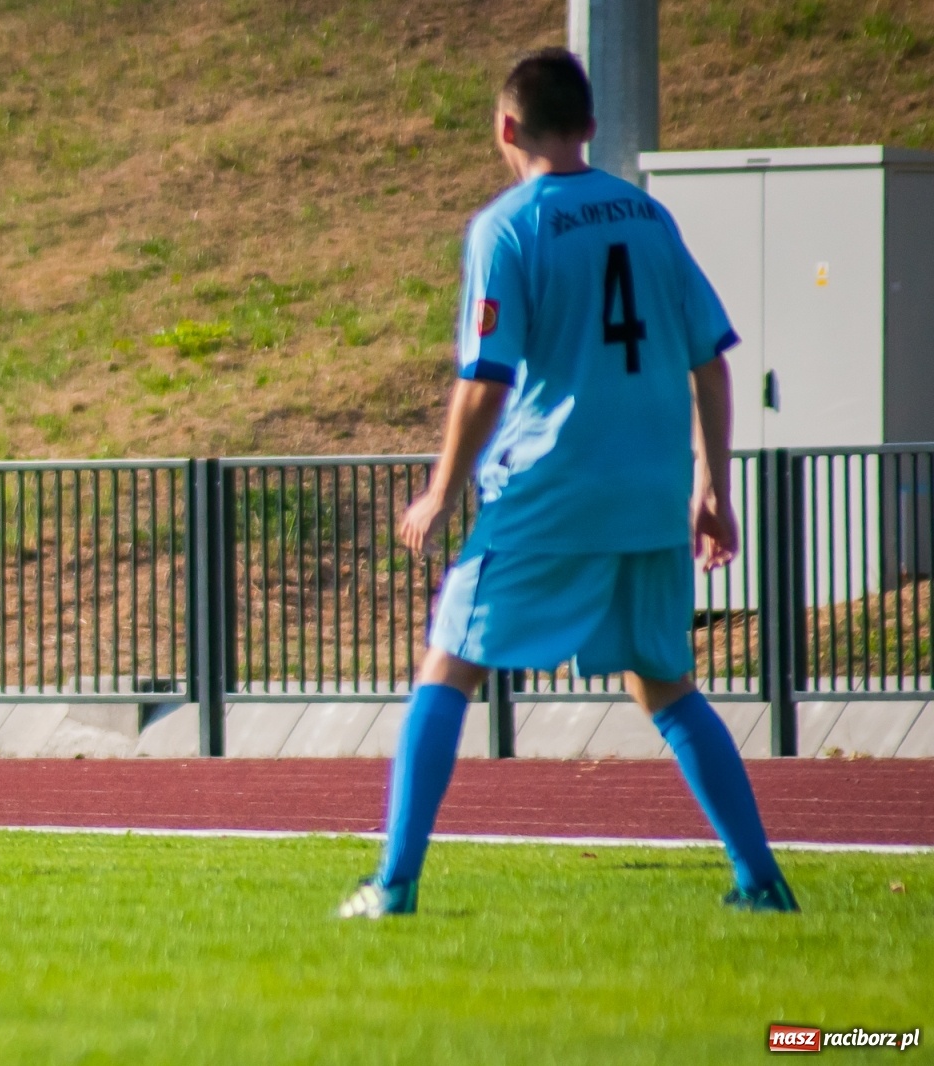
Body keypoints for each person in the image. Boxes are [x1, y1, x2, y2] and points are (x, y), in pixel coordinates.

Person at [339, 49, 797, 917]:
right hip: (650, 492)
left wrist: (441, 490)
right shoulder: (651, 219)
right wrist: (713, 484)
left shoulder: (507, 227)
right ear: (590, 125)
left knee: (449, 667)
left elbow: (485, 378)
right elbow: (709, 362)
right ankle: (761, 882)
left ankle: (392, 884)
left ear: (507, 130)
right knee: (663, 684)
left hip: (549, 491)